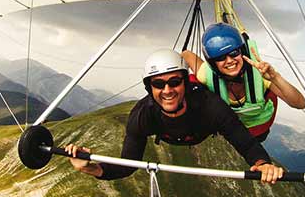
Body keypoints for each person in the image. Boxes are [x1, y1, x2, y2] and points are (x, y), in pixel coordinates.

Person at [65, 49, 284, 184]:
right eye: (158, 84)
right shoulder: (143, 115)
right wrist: (91, 167)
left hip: (201, 130)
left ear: (185, 83)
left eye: (174, 82)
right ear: (149, 88)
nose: (167, 90)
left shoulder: (209, 105)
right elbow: (128, 165)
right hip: (171, 133)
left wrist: (262, 163)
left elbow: (244, 141)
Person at [182, 23, 305, 141]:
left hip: (259, 128)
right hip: (232, 129)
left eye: (234, 53)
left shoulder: (260, 75)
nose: (229, 60)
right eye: (221, 57)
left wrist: (275, 78)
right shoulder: (207, 75)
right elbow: (186, 54)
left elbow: (299, 103)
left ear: (242, 52)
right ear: (213, 63)